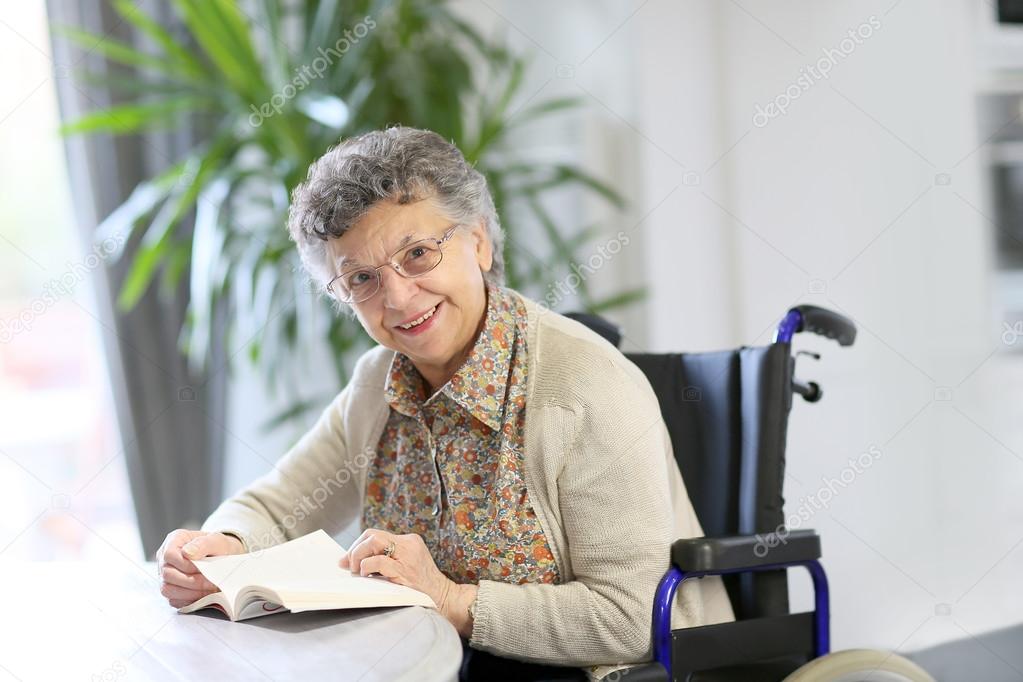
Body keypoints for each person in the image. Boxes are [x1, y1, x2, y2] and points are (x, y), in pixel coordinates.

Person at [155, 126, 733, 681]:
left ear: (478, 241)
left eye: (418, 254)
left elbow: (630, 619)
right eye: (361, 278)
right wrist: (220, 545)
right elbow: (278, 508)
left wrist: (450, 600)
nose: (399, 297)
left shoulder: (585, 387)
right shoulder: (377, 383)